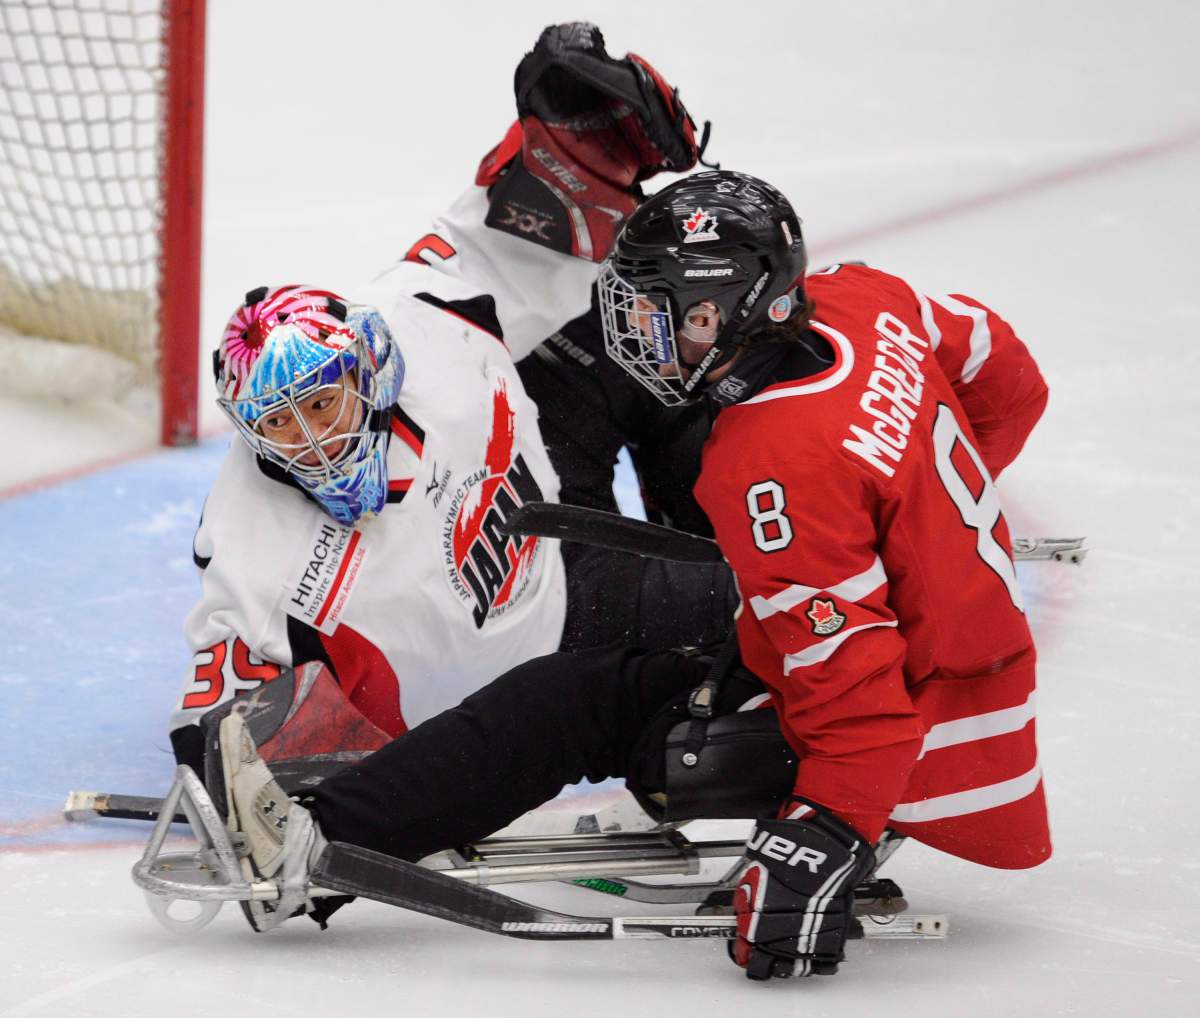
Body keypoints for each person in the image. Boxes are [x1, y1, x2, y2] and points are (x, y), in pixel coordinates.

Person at [190, 168, 1051, 984]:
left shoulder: (773, 470)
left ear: (729, 305)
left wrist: (820, 838)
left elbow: (860, 710)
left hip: (929, 738)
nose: (637, 322)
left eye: (660, 305)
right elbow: (1009, 378)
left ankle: (315, 849)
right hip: (950, 664)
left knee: (565, 704)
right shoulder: (867, 296)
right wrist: (911, 520)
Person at [167, 25, 736, 776]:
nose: (311, 444)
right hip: (545, 653)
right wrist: (243, 755)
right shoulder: (258, 543)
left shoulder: (416, 311)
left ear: (367, 370)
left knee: (658, 319)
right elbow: (211, 719)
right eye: (278, 425)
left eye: (322, 406)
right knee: (750, 632)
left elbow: (520, 214)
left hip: (551, 509)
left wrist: (577, 148)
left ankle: (732, 514)